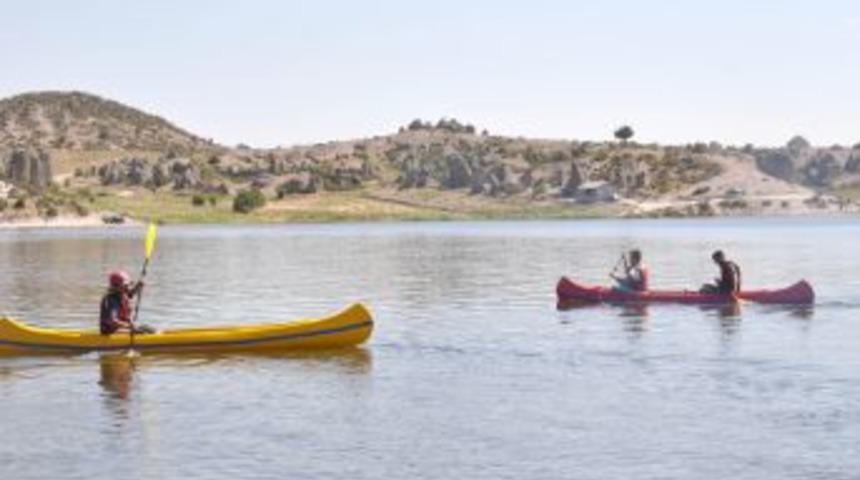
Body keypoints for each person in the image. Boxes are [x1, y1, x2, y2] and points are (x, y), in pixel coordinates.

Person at [100, 270, 155, 335]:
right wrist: (130, 326)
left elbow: (130, 294)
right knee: (141, 332)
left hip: (122, 327)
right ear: (116, 286)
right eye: (125, 285)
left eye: (128, 285)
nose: (128, 287)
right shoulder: (111, 300)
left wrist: (137, 286)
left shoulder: (121, 293)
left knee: (149, 329)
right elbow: (113, 321)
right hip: (111, 331)